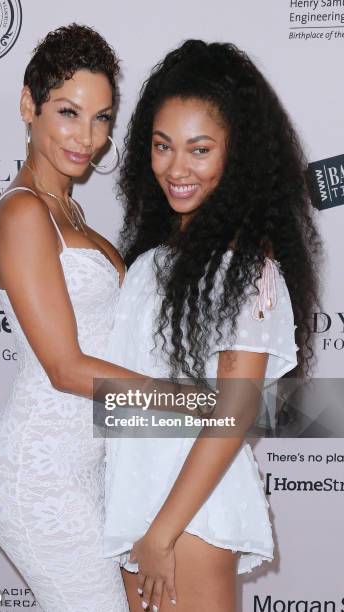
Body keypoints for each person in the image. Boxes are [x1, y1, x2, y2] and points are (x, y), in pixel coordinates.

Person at [103, 40, 321, 612]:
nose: (177, 168)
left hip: (184, 520)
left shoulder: (247, 268)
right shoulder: (153, 258)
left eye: (200, 150)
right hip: (137, 502)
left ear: (236, 155)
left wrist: (160, 534)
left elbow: (238, 409)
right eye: (162, 146)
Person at [0, 23, 133, 612]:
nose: (87, 138)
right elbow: (66, 368)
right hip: (37, 477)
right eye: (69, 112)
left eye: (102, 118)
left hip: (83, 470)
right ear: (28, 105)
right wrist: (194, 403)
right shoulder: (22, 214)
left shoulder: (67, 211)